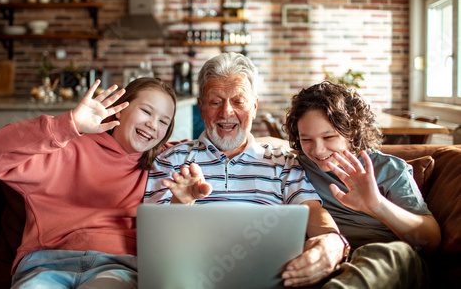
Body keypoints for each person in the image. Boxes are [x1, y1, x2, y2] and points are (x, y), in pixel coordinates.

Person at [144, 52, 347, 288]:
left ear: (254, 106)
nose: (226, 113)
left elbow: (313, 213)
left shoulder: (283, 162)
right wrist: (180, 205)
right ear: (201, 107)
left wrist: (333, 243)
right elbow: (154, 241)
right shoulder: (171, 160)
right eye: (215, 101)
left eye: (238, 101)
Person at [0, 77, 177, 288]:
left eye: (163, 121)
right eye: (146, 111)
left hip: (117, 268)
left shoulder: (164, 164)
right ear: (119, 109)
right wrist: (69, 123)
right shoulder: (65, 146)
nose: (152, 124)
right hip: (46, 266)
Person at [283, 81, 441, 288]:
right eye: (306, 140)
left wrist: (376, 205)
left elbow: (431, 241)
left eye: (329, 137)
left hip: (388, 261)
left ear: (353, 132)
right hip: (330, 261)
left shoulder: (389, 169)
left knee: (390, 253)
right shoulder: (297, 168)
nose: (318, 150)